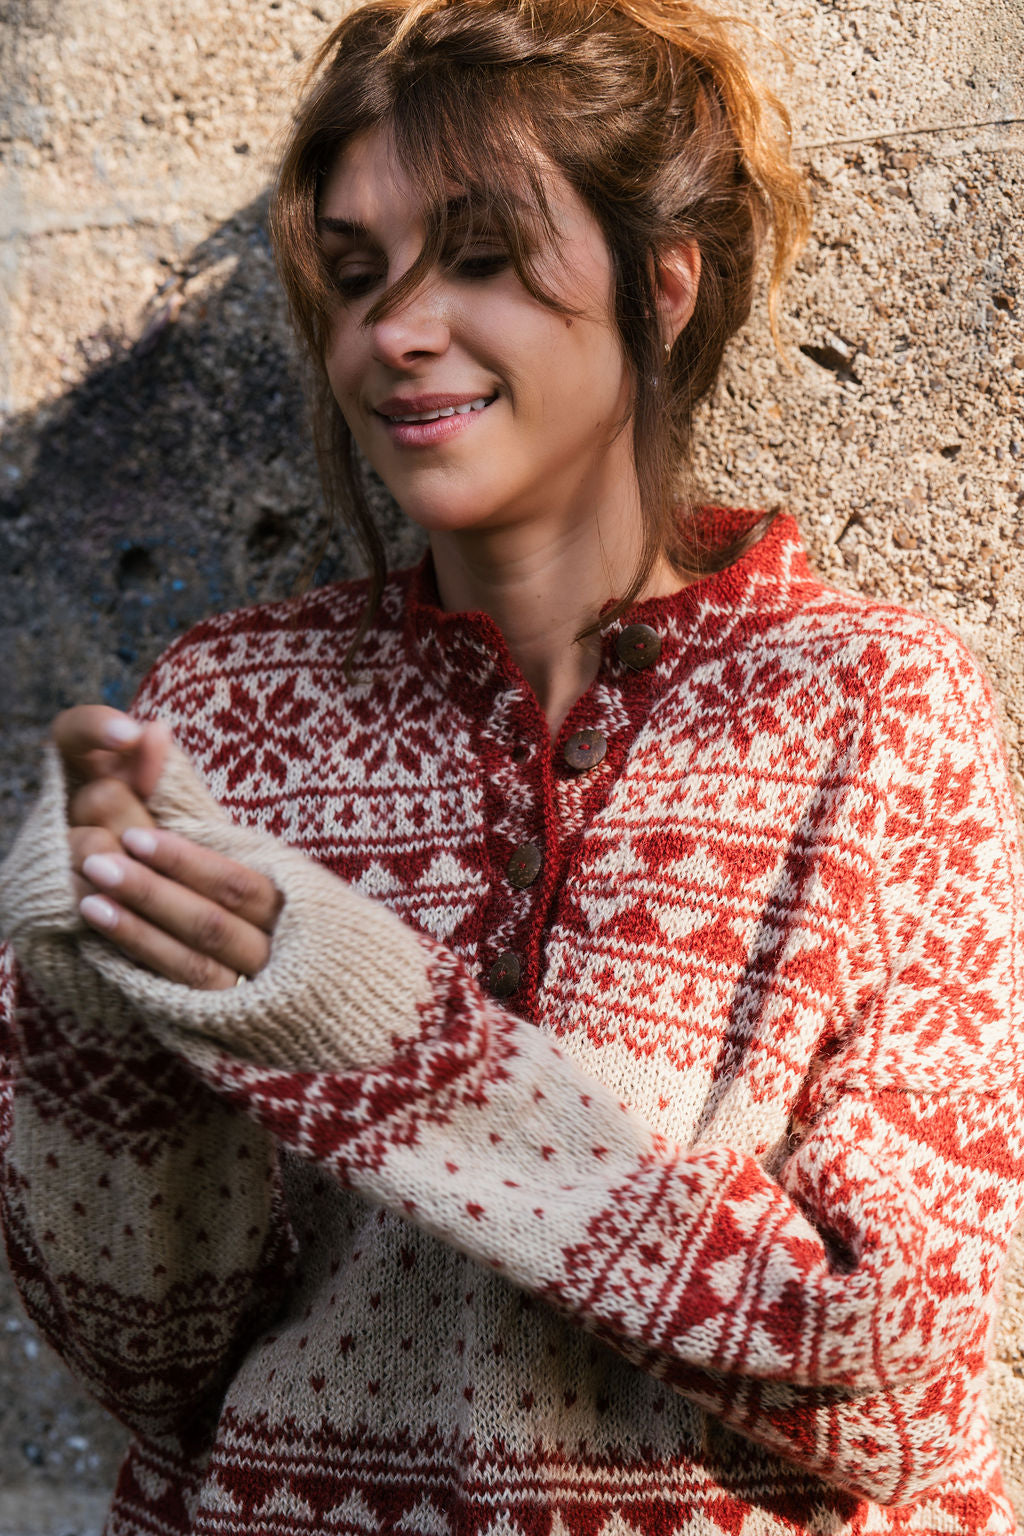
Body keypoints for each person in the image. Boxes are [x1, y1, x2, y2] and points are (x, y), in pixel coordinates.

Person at [1, 0, 1022, 1530]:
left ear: (660, 284)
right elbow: (151, 1369)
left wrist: (371, 1032)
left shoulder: (871, 710)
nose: (395, 331)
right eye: (356, 275)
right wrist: (89, 1010)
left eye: (480, 257)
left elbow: (891, 1376)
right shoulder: (222, 711)